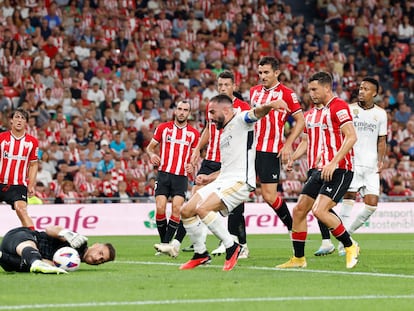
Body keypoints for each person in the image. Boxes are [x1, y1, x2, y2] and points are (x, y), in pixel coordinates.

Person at [170, 94, 289, 271]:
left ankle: (231, 246)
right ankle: (201, 254)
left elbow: (257, 112)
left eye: (212, 112)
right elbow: (227, 168)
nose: (209, 117)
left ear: (225, 110)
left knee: (202, 209)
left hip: (241, 182)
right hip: (224, 180)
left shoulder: (241, 119)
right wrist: (209, 178)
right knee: (186, 210)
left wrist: (271, 104)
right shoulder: (224, 133)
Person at [277, 72, 360, 270]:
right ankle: (298, 259)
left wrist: (332, 162)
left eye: (315, 89)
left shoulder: (339, 106)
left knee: (320, 210)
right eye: (309, 90)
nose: (311, 94)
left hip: (339, 169)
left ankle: (350, 246)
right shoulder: (311, 114)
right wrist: (293, 158)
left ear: (327, 88)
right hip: (318, 170)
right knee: (298, 211)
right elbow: (306, 141)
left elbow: (351, 137)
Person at [314, 77, 387, 256]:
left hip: (370, 166)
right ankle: (345, 243)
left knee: (371, 206)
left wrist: (381, 160)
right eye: (360, 88)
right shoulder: (349, 109)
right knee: (348, 200)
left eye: (366, 89)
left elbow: (382, 140)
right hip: (352, 162)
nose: (361, 91)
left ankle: (347, 236)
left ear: (375, 93)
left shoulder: (381, 114)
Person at [184, 70, 251, 259]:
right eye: (220, 85)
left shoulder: (242, 108)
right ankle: (201, 245)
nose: (222, 88)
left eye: (226, 85)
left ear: (234, 87)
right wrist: (197, 148)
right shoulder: (212, 105)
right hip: (211, 158)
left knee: (234, 207)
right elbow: (208, 128)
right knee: (196, 195)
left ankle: (240, 244)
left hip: (230, 160)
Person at [250, 56, 305, 234]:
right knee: (238, 192)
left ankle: (292, 227)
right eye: (260, 72)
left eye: (266, 72)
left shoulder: (287, 93)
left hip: (270, 150)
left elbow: (300, 121)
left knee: (269, 196)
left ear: (276, 72)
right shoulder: (254, 92)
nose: (263, 76)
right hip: (249, 149)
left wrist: (288, 144)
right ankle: (237, 242)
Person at [146, 101, 200, 251]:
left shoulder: (194, 134)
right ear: (175, 111)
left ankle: (164, 245)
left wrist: (192, 164)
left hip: (181, 177)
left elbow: (195, 155)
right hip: (163, 174)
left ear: (189, 113)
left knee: (177, 209)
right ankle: (164, 243)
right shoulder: (163, 128)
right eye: (180, 109)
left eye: (185, 110)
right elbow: (150, 147)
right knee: (160, 207)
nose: (182, 112)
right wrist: (151, 154)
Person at [0, 226, 116, 274]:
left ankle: (2, 256)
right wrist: (65, 233)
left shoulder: (73, 264)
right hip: (19, 237)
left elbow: (51, 263)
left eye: (102, 260)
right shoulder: (78, 242)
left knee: (27, 265)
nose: (97, 258)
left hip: (11, 261)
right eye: (100, 253)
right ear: (95, 245)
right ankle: (35, 261)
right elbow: (50, 229)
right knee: (29, 247)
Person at [0, 108, 39, 230]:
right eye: (17, 117)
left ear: (26, 123)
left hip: (18, 185)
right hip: (0, 181)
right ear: (11, 120)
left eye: (23, 118)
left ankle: (34, 239)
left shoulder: (32, 142)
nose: (19, 120)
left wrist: (31, 185)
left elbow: (33, 165)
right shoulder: (1, 138)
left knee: (21, 210)